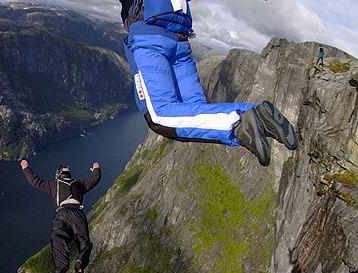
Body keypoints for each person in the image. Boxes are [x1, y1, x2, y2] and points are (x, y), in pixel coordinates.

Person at [120, 0, 298, 166]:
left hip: (151, 39)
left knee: (159, 117)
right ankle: (259, 117)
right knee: (195, 114)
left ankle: (242, 120)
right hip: (180, 44)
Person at [20, 159, 102, 273]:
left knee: (58, 237)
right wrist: (96, 169)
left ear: (58, 175)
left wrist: (26, 168)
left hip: (62, 214)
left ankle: (60, 268)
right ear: (69, 175)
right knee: (84, 242)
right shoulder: (79, 184)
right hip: (78, 214)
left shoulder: (54, 185)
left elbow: (35, 182)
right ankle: (80, 262)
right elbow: (95, 179)